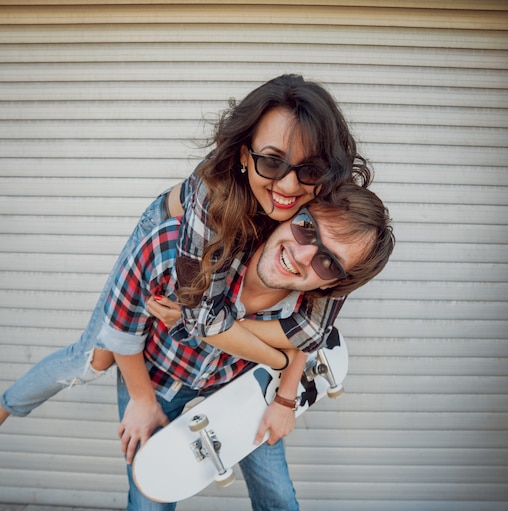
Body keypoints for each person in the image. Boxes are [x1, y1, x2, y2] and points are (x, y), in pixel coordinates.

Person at [98, 185, 395, 511]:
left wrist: (285, 398)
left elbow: (302, 345)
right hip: (156, 379)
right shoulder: (210, 247)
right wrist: (141, 399)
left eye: (327, 261)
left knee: (278, 496)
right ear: (293, 210)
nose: (302, 253)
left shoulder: (308, 303)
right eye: (307, 228)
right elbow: (120, 324)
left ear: (335, 284)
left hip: (235, 387)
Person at [0, 74, 370, 426]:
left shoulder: (337, 215)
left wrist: (216, 325)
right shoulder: (214, 196)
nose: (289, 185)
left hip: (238, 250)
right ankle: (6, 405)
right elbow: (205, 321)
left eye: (309, 169)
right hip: (181, 234)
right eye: (272, 161)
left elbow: (310, 328)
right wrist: (278, 357)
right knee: (96, 358)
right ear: (245, 155)